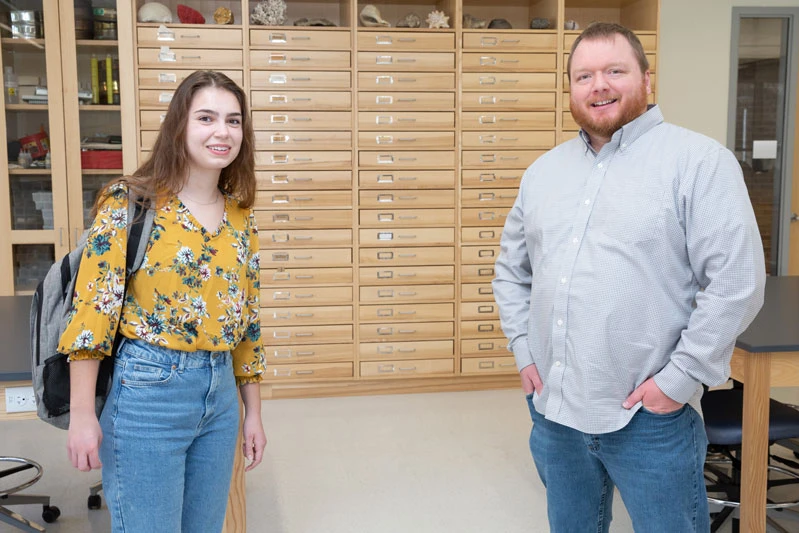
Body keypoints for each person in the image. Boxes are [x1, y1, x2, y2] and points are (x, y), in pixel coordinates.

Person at [493, 22, 766, 532]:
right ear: (571, 88)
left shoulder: (699, 163)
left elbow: (737, 280)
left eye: (614, 71)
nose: (598, 85)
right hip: (555, 415)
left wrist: (678, 379)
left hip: (648, 421)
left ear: (645, 77)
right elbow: (511, 272)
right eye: (584, 75)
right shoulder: (543, 174)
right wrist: (523, 349)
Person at [60, 70, 267, 533]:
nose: (222, 132)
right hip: (148, 390)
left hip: (219, 397)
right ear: (179, 126)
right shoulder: (129, 203)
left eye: (234, 121)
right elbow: (92, 314)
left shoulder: (240, 215)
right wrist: (82, 416)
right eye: (207, 117)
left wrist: (253, 412)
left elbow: (246, 320)